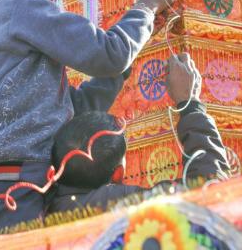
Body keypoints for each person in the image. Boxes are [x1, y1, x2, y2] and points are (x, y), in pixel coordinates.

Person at [0, 0, 178, 232]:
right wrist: (147, 6)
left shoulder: (7, 16)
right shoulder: (20, 5)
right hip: (21, 176)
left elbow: (77, 107)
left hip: (23, 174)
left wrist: (128, 59)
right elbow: (109, 53)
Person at [48, 54, 230, 213]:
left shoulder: (36, 200)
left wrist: (123, 61)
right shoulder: (122, 207)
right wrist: (191, 106)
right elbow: (211, 191)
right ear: (118, 175)